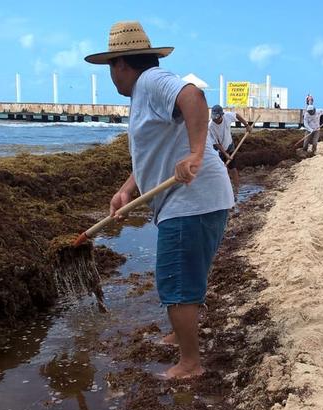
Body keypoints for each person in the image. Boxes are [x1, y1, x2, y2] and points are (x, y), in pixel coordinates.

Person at [85, 21, 234, 379]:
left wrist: (197, 154)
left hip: (191, 199)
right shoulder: (144, 94)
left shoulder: (150, 81)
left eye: (110, 69)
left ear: (120, 64)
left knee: (175, 279)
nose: (112, 77)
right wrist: (126, 190)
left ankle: (190, 364)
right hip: (201, 198)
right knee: (186, 274)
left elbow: (193, 97)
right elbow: (153, 152)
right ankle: (179, 334)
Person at [208, 104, 250, 195]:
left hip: (229, 145)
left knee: (233, 169)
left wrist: (246, 125)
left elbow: (237, 116)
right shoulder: (211, 126)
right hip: (218, 150)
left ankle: (236, 189)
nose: (215, 119)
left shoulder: (227, 116)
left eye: (217, 117)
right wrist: (225, 154)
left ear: (221, 115)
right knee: (221, 170)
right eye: (214, 118)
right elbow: (216, 143)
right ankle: (222, 190)